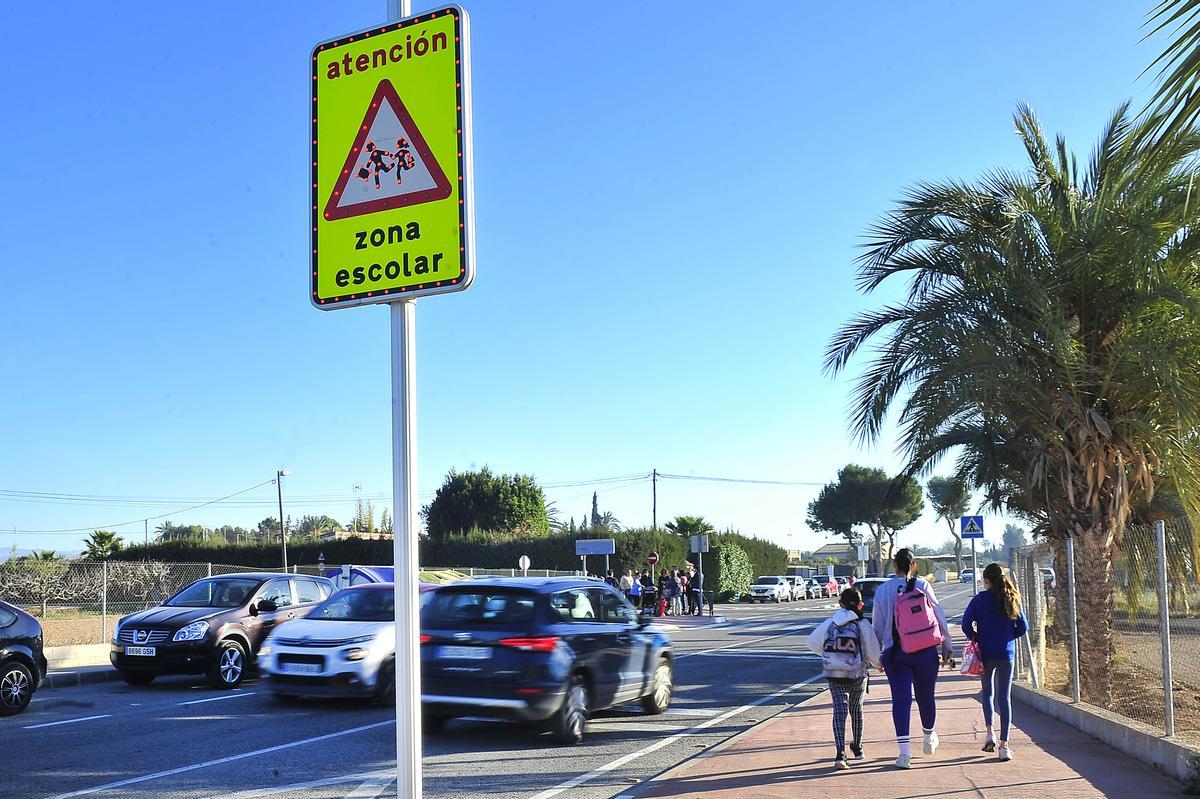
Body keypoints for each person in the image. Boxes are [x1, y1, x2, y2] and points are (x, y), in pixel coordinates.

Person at [871, 548, 954, 769]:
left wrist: (875, 656)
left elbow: (877, 627)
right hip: (926, 651)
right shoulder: (923, 586)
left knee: (901, 700)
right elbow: (938, 614)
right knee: (926, 696)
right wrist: (946, 643)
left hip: (896, 653)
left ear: (894, 565)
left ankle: (904, 754)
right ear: (913, 565)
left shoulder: (882, 591)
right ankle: (928, 737)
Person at [807, 588, 882, 769]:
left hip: (833, 673)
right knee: (856, 709)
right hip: (856, 674)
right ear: (860, 604)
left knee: (839, 711)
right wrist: (878, 664)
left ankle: (840, 753)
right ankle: (857, 747)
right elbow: (872, 652)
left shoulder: (830, 623)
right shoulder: (863, 625)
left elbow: (811, 642)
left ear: (840, 604)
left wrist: (829, 656)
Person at [962, 563, 1028, 763]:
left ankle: (989, 732)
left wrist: (976, 636)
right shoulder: (1011, 597)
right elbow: (1023, 627)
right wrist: (1009, 636)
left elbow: (966, 624)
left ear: (987, 580)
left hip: (986, 653)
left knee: (987, 693)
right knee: (1004, 697)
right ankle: (1004, 745)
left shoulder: (979, 600)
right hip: (1007, 653)